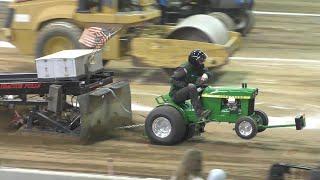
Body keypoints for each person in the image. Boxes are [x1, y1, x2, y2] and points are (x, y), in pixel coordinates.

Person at [169, 49, 212, 120]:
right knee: (191, 87)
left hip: (187, 90)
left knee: (204, 87)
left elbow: (208, 72)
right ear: (194, 60)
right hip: (176, 94)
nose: (202, 62)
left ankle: (206, 107)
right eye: (201, 61)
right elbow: (173, 80)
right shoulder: (184, 69)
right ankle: (200, 113)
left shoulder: (198, 67)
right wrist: (186, 85)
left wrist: (205, 75)